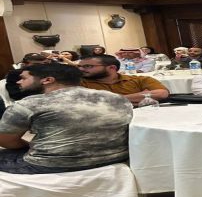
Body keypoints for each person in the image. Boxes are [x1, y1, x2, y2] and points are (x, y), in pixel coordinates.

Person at [0, 64, 133, 174]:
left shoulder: (30, 104)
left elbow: (8, 142)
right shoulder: (117, 98)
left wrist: (33, 140)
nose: (18, 82)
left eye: (23, 78)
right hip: (116, 158)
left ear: (47, 80)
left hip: (53, 165)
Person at [79, 55, 169, 105]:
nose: (81, 69)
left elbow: (161, 93)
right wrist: (139, 96)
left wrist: (112, 100)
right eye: (79, 66)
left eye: (88, 66)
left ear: (111, 68)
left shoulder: (139, 80)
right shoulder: (79, 83)